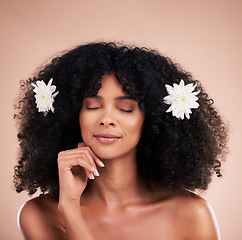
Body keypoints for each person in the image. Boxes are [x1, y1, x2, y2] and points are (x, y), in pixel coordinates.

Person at [14, 42, 228, 240]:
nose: (107, 120)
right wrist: (70, 207)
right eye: (93, 106)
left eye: (125, 109)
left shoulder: (192, 214)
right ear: (72, 115)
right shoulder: (41, 213)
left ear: (151, 119)